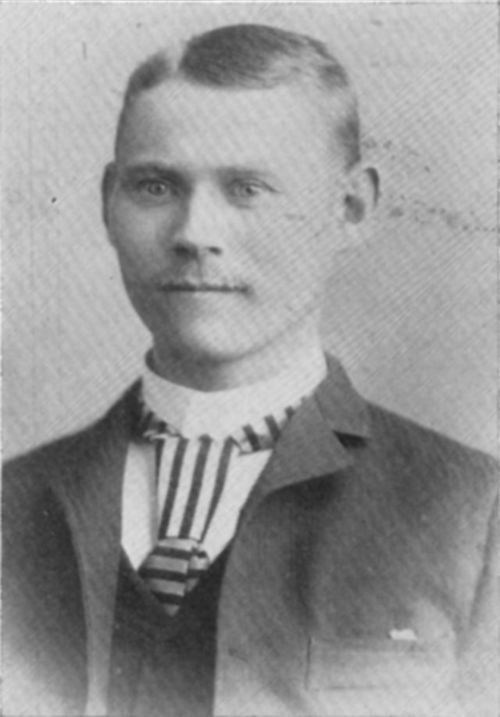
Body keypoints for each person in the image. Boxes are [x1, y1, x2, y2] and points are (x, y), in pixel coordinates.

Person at [2, 23, 497, 717]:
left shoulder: (473, 517)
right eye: (155, 186)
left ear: (351, 208)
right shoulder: (13, 502)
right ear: (109, 202)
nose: (194, 233)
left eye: (247, 189)